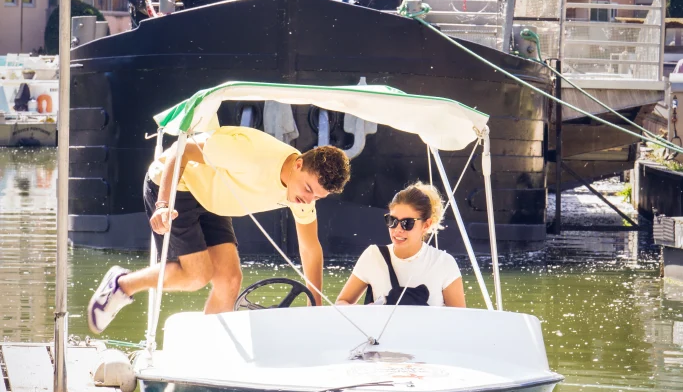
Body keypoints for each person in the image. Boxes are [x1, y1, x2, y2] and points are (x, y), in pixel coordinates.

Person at [87, 125, 351, 333]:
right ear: (298, 164)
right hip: (178, 185)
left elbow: (309, 247)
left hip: (215, 197)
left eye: (318, 197)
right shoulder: (249, 154)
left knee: (230, 280)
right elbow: (180, 150)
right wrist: (163, 203)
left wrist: (314, 305)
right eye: (307, 189)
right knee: (197, 275)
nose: (308, 199)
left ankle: (205, 351)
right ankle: (121, 284)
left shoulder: (302, 195)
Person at [336, 183, 465, 308]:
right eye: (392, 221)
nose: (397, 229)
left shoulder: (444, 263)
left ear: (426, 225)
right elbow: (342, 303)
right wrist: (366, 311)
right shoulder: (373, 256)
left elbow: (460, 321)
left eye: (407, 223)